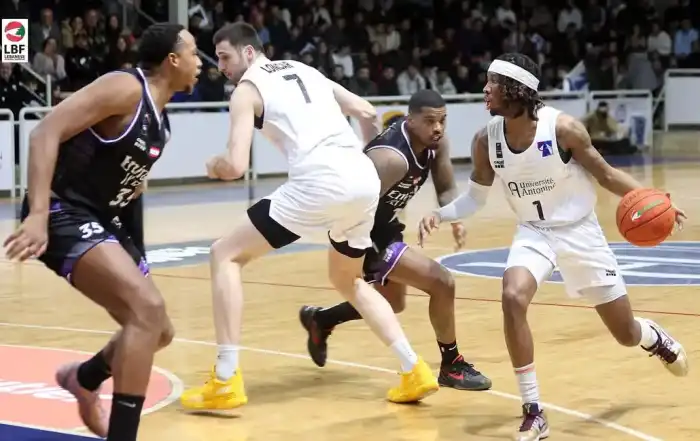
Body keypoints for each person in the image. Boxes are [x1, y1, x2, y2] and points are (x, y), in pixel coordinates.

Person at [418, 53, 688, 441]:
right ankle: (533, 411)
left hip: (580, 232)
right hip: (534, 232)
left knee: (625, 333)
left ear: (515, 90)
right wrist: (439, 214)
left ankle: (653, 338)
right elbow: (475, 198)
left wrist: (656, 199)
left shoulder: (563, 129)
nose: (485, 89)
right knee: (512, 297)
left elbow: (607, 175)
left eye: (493, 83)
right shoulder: (485, 140)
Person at [179, 22, 439, 410]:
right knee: (348, 280)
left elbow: (235, 166)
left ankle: (226, 378)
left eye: (225, 57)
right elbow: (366, 110)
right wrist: (361, 155)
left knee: (224, 255)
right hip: (363, 178)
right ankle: (414, 370)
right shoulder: (303, 69)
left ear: (248, 53)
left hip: (320, 182)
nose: (221, 66)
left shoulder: (246, 90)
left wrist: (215, 164)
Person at [3, 23, 201, 441]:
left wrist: (136, 249)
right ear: (173, 59)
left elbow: (128, 187)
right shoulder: (125, 87)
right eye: (194, 53)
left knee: (158, 329)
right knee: (146, 311)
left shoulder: (161, 123)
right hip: (62, 209)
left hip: (106, 217)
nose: (200, 63)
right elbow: (44, 132)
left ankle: (85, 379)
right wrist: (37, 212)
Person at [299, 89, 492, 391]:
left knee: (392, 302)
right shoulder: (391, 160)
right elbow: (350, 204)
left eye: (442, 120)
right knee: (442, 283)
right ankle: (452, 365)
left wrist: (454, 220)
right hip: (361, 229)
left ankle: (321, 320)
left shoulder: (435, 143)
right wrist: (355, 254)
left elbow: (444, 184)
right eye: (430, 121)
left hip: (384, 223)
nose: (438, 128)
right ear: (410, 120)